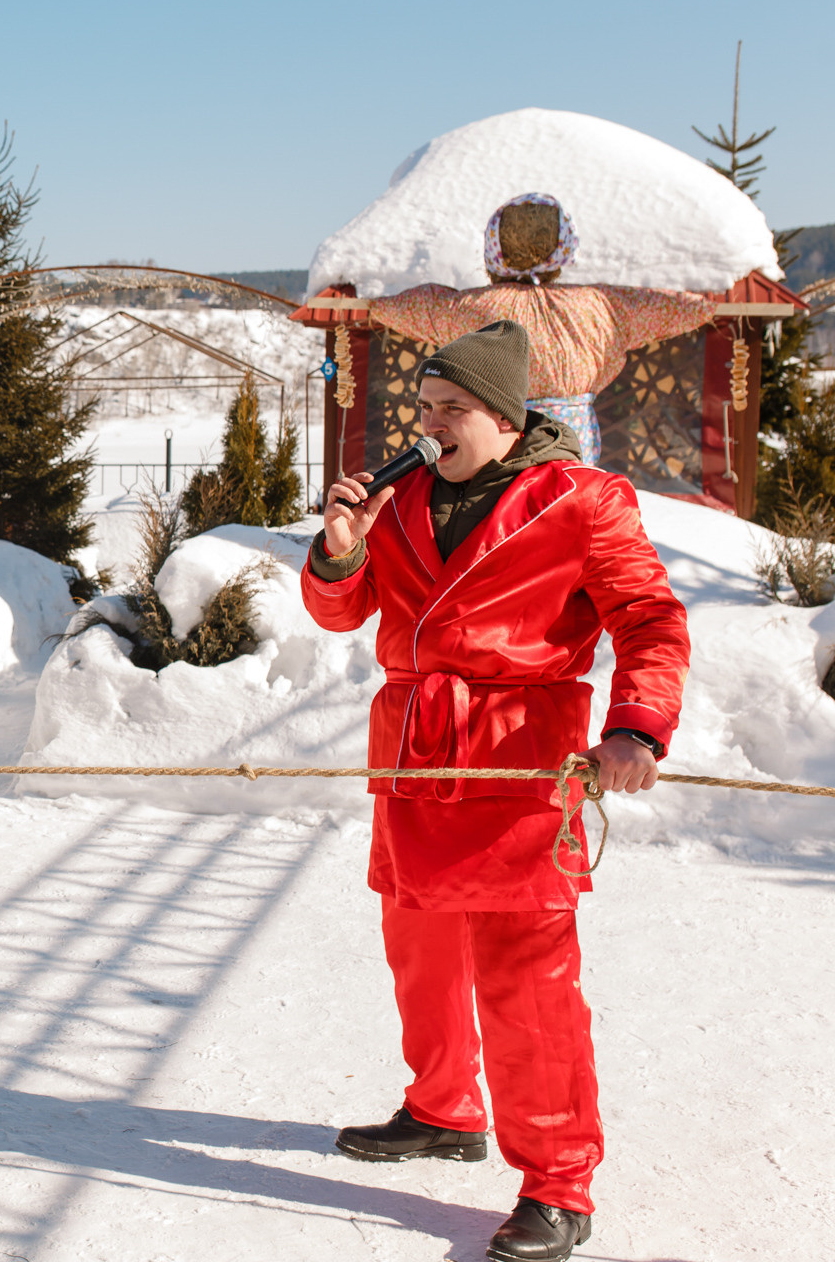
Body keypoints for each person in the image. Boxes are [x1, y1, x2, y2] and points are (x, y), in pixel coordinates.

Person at [301, 321, 691, 1262]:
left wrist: (636, 727)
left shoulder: (582, 500)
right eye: (424, 409)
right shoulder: (396, 502)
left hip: (520, 761)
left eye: (452, 411)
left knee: (528, 980)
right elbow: (340, 612)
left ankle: (558, 1180)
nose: (431, 426)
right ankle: (443, 1109)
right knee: (420, 951)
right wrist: (341, 547)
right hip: (414, 758)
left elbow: (648, 617)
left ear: (508, 421)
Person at [360, 194, 717, 464]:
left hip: (496, 445)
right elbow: (676, 307)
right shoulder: (599, 306)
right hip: (568, 452)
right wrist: (711, 299)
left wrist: (369, 299)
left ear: (494, 248)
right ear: (564, 248)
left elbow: (401, 305)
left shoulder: (467, 308)